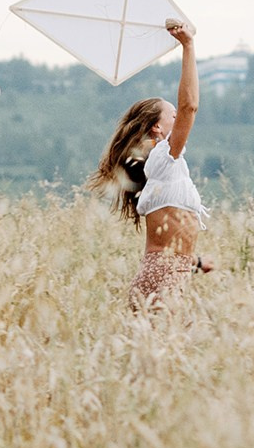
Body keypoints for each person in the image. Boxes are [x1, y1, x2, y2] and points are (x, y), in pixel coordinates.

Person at [89, 20, 212, 306]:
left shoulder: (159, 168)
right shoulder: (163, 156)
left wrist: (195, 262)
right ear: (157, 128)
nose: (177, 118)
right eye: (171, 116)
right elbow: (189, 106)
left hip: (166, 273)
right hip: (166, 277)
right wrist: (188, 45)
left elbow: (166, 242)